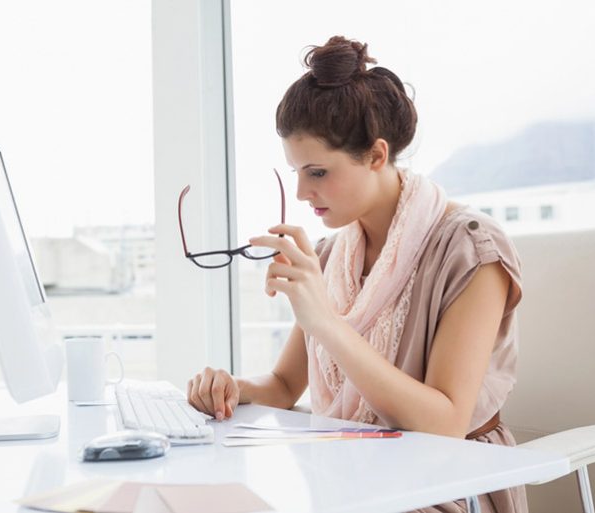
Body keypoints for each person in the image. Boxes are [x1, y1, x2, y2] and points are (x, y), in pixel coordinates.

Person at [187, 35, 526, 513]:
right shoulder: (330, 256)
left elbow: (446, 424)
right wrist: (230, 389)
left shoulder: (470, 250)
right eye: (296, 173)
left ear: (377, 155)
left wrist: (325, 321)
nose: (303, 192)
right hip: (349, 474)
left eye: (318, 172)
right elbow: (285, 386)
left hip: (445, 486)